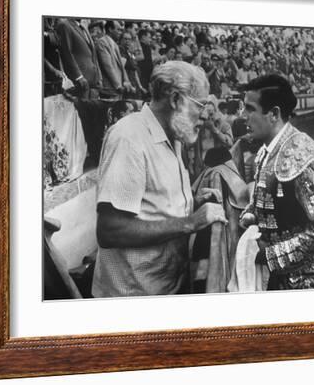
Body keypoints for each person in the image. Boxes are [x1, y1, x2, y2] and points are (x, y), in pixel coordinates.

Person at [92, 61, 228, 297]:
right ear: (175, 100)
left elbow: (153, 205)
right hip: (133, 298)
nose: (205, 115)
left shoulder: (174, 134)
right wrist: (190, 222)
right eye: (201, 105)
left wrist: (192, 202)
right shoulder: (129, 137)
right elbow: (110, 230)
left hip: (167, 286)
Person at [239, 74, 314, 290]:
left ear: (274, 114)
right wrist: (251, 215)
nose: (242, 116)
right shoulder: (267, 151)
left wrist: (270, 256)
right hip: (276, 278)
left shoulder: (302, 156)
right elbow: (272, 202)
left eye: (250, 109)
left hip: (302, 283)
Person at [55, 18, 103, 99]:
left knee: (91, 110)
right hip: (80, 82)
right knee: (80, 110)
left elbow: (92, 55)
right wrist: (78, 77)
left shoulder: (83, 27)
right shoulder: (65, 25)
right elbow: (66, 52)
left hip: (92, 82)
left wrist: (98, 77)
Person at [96, 20, 134, 97]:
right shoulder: (102, 42)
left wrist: (127, 81)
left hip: (118, 88)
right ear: (110, 29)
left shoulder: (115, 44)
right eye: (118, 30)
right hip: (109, 88)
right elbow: (107, 66)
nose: (120, 33)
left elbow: (121, 67)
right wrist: (118, 85)